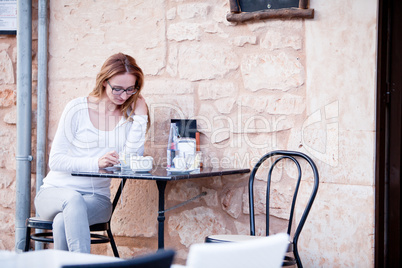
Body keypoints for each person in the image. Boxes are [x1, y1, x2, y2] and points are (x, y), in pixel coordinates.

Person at [34, 53, 149, 253]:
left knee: (63, 221)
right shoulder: (77, 109)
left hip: (97, 199)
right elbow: (56, 161)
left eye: (131, 89)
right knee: (72, 199)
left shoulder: (127, 116)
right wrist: (96, 163)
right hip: (53, 193)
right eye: (118, 89)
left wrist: (141, 116)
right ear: (105, 82)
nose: (124, 95)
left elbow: (131, 161)